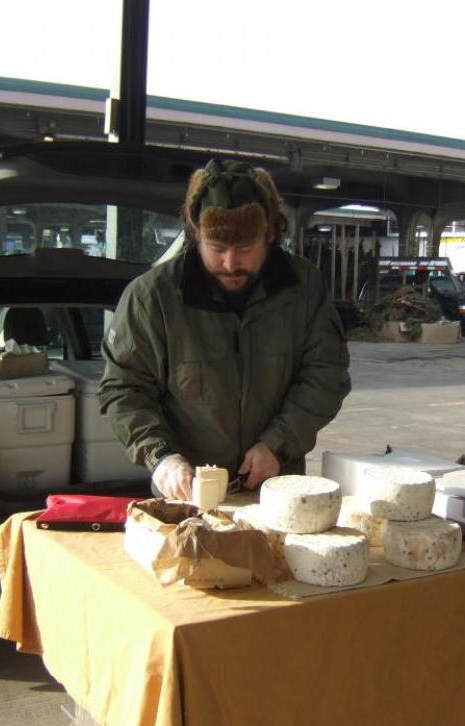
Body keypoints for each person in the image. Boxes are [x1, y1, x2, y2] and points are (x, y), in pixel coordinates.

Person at [98, 158, 351, 500]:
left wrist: (277, 443)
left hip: (276, 488)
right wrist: (161, 457)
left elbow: (326, 374)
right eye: (217, 249)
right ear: (195, 236)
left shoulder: (303, 288)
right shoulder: (152, 297)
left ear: (271, 235)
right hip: (185, 493)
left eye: (246, 249)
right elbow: (124, 388)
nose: (231, 264)